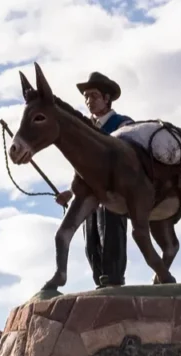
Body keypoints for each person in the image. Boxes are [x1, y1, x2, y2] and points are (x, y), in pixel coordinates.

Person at [54, 71, 134, 288]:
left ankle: (114, 279)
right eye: (86, 97)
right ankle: (100, 279)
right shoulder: (86, 129)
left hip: (113, 194)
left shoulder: (123, 124)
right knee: (92, 242)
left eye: (94, 96)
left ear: (107, 98)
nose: (89, 101)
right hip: (91, 196)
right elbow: (82, 170)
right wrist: (70, 193)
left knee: (111, 236)